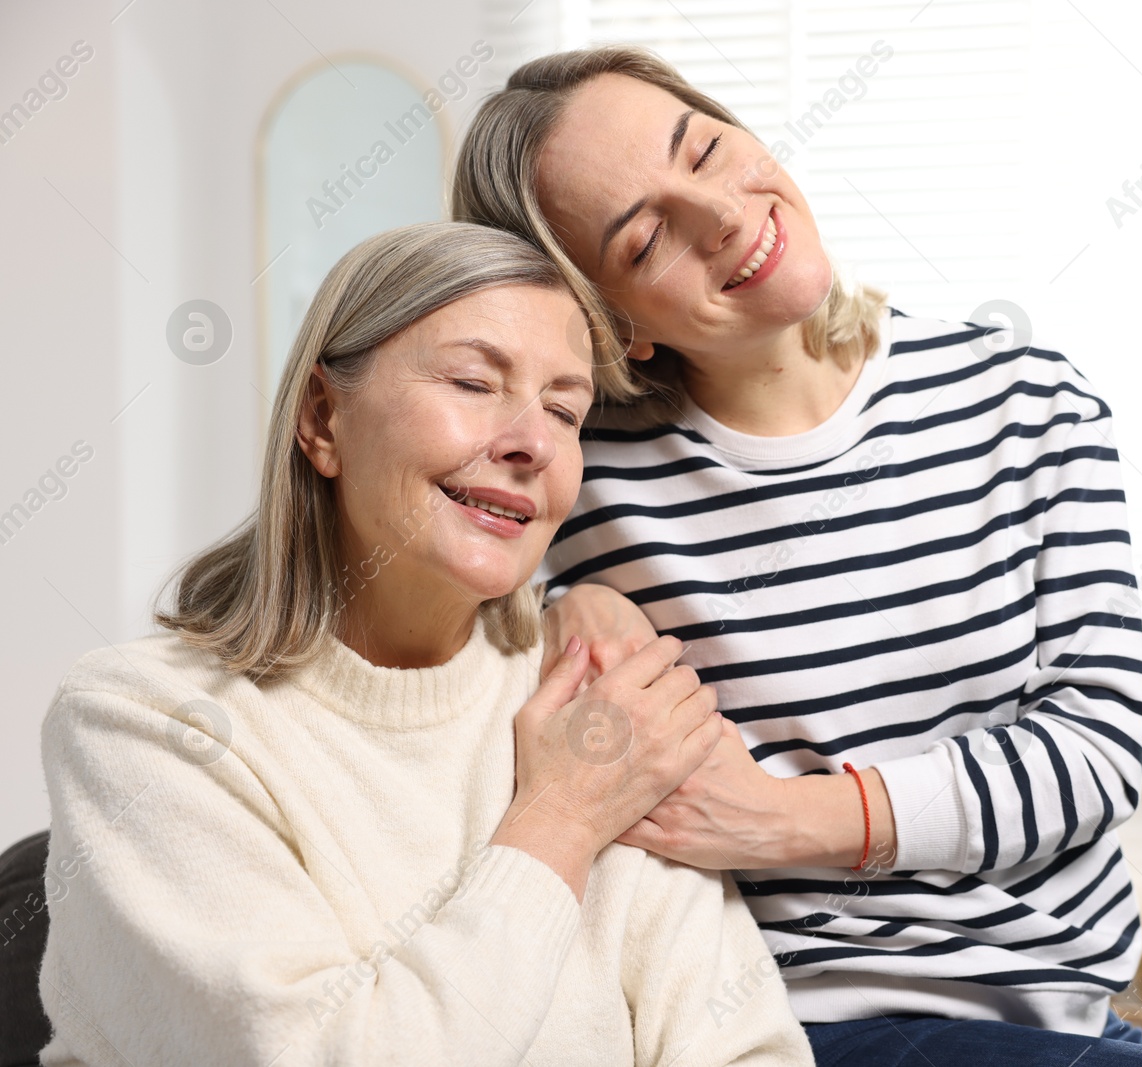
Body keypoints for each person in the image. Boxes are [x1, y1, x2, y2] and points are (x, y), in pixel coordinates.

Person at [450, 48, 1142, 1067]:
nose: (724, 214)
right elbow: (440, 632)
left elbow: (1092, 754)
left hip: (1066, 1019)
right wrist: (566, 602)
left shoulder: (1028, 401)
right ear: (615, 327)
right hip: (789, 1025)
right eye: (648, 241)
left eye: (706, 149)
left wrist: (781, 820)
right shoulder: (583, 478)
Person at [36, 221, 814, 1067]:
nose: (533, 442)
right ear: (323, 418)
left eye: (565, 409)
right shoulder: (142, 722)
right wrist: (560, 815)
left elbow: (748, 1051)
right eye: (475, 382)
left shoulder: (595, 694)